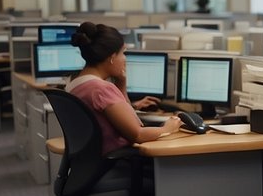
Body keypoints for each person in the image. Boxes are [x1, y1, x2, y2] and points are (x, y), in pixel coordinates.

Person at [66, 22, 181, 155]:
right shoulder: (101, 89)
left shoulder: (74, 83)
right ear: (112, 58)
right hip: (117, 163)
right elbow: (138, 133)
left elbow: (126, 117)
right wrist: (167, 128)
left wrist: (121, 84)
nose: (125, 59)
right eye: (123, 53)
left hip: (91, 163)